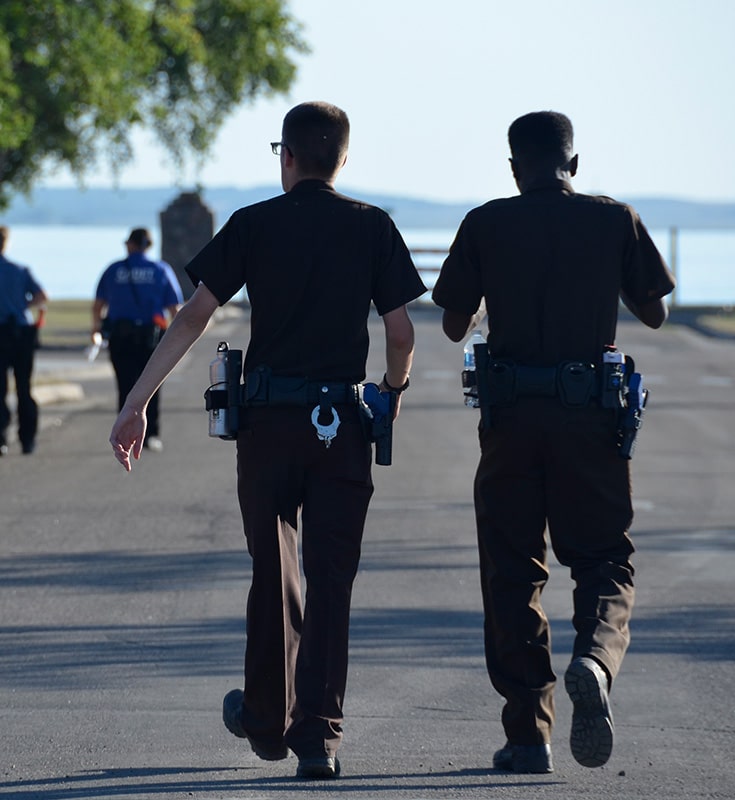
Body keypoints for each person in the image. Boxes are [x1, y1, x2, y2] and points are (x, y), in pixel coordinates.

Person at [108, 101, 426, 779]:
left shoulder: (253, 224)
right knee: (331, 580)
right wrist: (390, 395)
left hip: (269, 424)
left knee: (272, 573)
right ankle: (318, 738)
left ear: (286, 156)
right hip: (341, 423)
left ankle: (265, 719)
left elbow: (195, 315)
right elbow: (401, 333)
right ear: (342, 158)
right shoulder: (373, 227)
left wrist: (136, 402)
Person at [432, 111, 675, 775]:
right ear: (575, 160)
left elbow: (454, 324)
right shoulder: (613, 218)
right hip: (590, 422)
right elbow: (654, 311)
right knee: (602, 559)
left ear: (514, 167)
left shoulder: (486, 221)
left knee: (512, 572)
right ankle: (595, 659)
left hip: (510, 423)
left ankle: (528, 737)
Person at [92, 227, 183, 453]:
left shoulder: (114, 270)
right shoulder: (160, 270)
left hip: (120, 337)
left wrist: (96, 329)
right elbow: (175, 309)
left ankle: (122, 433)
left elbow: (98, 306)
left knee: (124, 386)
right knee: (151, 386)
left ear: (131, 244)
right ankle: (151, 434)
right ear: (148, 246)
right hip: (151, 338)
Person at [0, 225, 49, 456]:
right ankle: (27, 439)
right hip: (20, 332)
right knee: (23, 387)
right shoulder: (19, 270)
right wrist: (22, 305)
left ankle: (1, 438)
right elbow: (42, 296)